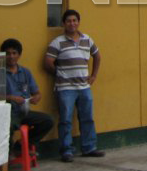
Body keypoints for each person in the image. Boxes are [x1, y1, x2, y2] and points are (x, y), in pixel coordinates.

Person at [44, 9, 105, 162]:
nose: (72, 23)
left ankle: (89, 147)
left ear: (78, 22)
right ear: (64, 23)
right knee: (65, 119)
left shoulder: (87, 39)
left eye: (75, 20)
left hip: (84, 87)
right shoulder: (57, 42)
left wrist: (93, 76)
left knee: (87, 118)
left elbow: (97, 56)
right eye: (69, 21)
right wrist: (61, 74)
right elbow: (48, 62)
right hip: (65, 89)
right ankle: (66, 150)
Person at [0, 38, 54, 152]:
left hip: (24, 112)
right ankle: (7, 156)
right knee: (7, 127)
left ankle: (21, 145)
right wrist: (11, 98)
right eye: (8, 53)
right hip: (8, 113)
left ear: (19, 55)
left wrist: (36, 98)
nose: (11, 56)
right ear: (3, 55)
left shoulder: (25, 72)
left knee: (48, 121)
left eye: (14, 53)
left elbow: (37, 93)